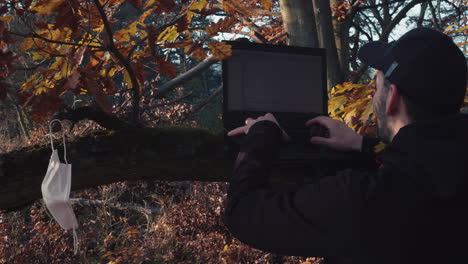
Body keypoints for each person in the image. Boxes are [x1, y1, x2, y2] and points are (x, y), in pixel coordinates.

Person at [223, 27, 468, 264]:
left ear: (391, 97)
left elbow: (243, 213)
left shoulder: (361, 202)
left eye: (377, 87)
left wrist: (261, 134)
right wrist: (361, 145)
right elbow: (420, 165)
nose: (374, 97)